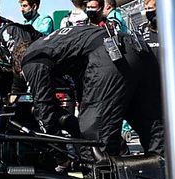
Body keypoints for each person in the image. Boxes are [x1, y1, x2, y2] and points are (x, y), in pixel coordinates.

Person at [15, 22, 164, 158]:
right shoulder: (58, 44)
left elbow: (43, 108)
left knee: (93, 140)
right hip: (135, 47)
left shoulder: (31, 58)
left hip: (109, 55)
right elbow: (86, 90)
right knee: (153, 128)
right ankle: (168, 178)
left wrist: (58, 153)